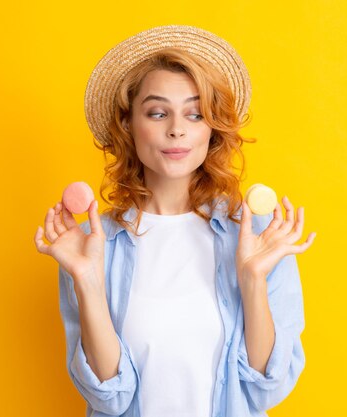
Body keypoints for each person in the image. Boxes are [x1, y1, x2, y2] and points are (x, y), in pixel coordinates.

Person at [34, 25, 316, 417]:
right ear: (128, 125)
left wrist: (252, 278)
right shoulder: (90, 246)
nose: (177, 129)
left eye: (195, 113)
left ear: (212, 128)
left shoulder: (258, 235)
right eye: (157, 112)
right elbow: (108, 397)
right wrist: (87, 281)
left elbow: (266, 387)